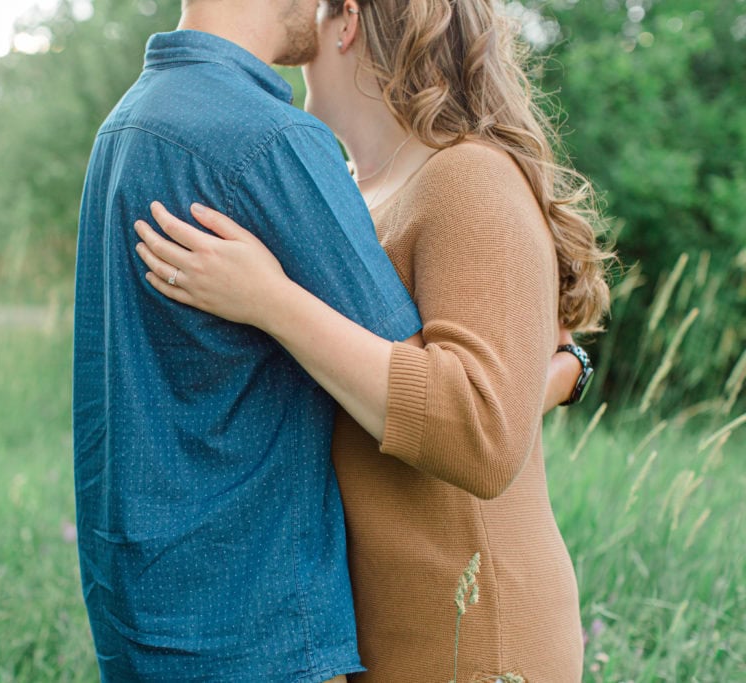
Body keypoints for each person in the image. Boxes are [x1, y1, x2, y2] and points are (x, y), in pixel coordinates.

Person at [133, 0, 613, 680]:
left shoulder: (468, 176)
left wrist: (268, 300)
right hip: (380, 629)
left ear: (349, 20)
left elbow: (481, 429)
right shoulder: (355, 192)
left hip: (474, 631)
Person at [72, 1, 425, 680]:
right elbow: (416, 392)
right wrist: (560, 365)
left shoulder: (124, 126)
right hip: (257, 628)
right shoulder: (271, 139)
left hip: (141, 620)